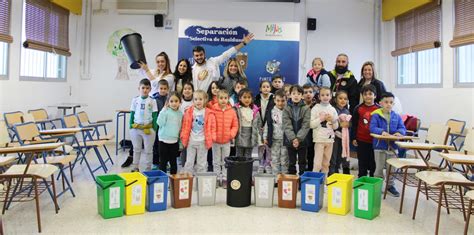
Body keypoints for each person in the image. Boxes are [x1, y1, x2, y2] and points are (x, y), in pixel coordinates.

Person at [370, 92, 406, 197]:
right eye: (386, 102)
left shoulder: (396, 116)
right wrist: (382, 132)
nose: (388, 104)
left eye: (391, 102)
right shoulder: (376, 115)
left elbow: (402, 128)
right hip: (379, 146)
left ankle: (390, 186)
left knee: (392, 169)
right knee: (379, 168)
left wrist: (400, 132)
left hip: (393, 147)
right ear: (380, 103)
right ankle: (377, 186)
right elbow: (372, 128)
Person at [181, 90, 216, 174]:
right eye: (196, 99)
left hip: (203, 141)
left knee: (202, 163)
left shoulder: (209, 113)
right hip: (191, 140)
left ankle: (201, 179)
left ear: (205, 100)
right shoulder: (189, 111)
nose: (198, 101)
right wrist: (183, 136)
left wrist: (212, 138)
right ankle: (188, 178)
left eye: (200, 99)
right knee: (189, 162)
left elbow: (213, 127)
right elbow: (185, 125)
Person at [129, 79, 158, 172]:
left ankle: (148, 169)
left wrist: (154, 128)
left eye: (147, 88)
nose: (145, 90)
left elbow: (154, 115)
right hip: (136, 128)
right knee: (136, 149)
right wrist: (130, 126)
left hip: (148, 129)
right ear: (139, 88)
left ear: (150, 89)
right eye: (143, 88)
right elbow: (132, 113)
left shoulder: (152, 100)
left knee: (148, 150)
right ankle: (135, 167)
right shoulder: (135, 100)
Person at [211, 89, 239, 186]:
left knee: (225, 161)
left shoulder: (231, 111)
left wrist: (231, 134)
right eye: (221, 98)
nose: (223, 100)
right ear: (217, 99)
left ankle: (224, 178)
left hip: (227, 141)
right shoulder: (213, 110)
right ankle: (217, 178)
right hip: (215, 141)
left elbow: (235, 125)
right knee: (216, 161)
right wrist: (213, 135)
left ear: (228, 99)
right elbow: (210, 123)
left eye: (225, 98)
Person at [351, 84, 380, 178]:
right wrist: (354, 138)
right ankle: (361, 180)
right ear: (362, 96)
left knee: (373, 163)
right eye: (365, 94)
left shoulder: (379, 109)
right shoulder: (358, 108)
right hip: (361, 140)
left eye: (370, 94)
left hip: (375, 141)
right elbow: (354, 125)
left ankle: (372, 180)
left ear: (375, 95)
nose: (368, 96)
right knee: (362, 162)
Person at [283, 85, 311, 176]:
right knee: (291, 161)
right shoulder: (286, 108)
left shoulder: (306, 108)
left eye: (298, 94)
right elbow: (286, 125)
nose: (296, 96)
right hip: (289, 140)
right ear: (289, 95)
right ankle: (292, 180)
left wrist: (298, 139)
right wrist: (293, 139)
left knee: (302, 161)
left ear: (302, 96)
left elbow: (306, 125)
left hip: (303, 140)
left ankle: (302, 179)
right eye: (293, 93)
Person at [310, 87, 339, 175]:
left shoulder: (333, 109)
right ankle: (314, 182)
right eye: (322, 95)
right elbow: (311, 125)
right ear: (319, 96)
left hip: (329, 140)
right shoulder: (316, 108)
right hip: (319, 140)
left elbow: (336, 127)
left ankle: (324, 183)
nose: (325, 97)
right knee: (317, 164)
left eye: (327, 95)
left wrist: (333, 120)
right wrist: (321, 119)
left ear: (331, 96)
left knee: (326, 164)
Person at [157, 92, 183, 174]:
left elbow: (180, 129)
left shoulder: (180, 114)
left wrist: (180, 142)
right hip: (163, 141)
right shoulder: (165, 111)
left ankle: (173, 181)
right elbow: (159, 123)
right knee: (163, 162)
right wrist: (163, 110)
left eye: (176, 101)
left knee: (173, 162)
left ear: (180, 102)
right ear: (168, 102)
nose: (174, 103)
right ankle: (162, 181)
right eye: (171, 101)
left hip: (174, 142)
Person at [263, 90, 288, 175]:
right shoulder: (271, 111)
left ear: (286, 100)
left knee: (284, 160)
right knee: (275, 159)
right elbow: (267, 124)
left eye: (283, 101)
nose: (280, 103)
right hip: (274, 139)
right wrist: (265, 137)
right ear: (274, 100)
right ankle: (276, 179)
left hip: (285, 140)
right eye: (278, 101)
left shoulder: (288, 111)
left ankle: (284, 179)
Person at [255, 80, 274, 174]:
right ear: (260, 89)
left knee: (268, 146)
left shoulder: (273, 99)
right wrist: (260, 125)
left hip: (269, 125)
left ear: (270, 88)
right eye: (264, 87)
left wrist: (266, 124)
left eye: (267, 87)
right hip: (259, 125)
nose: (266, 88)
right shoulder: (257, 99)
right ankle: (261, 164)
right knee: (260, 146)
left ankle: (268, 164)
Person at [329, 90, 351, 175]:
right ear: (335, 99)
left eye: (345, 99)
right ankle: (331, 173)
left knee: (342, 155)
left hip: (344, 137)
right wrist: (339, 124)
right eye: (340, 98)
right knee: (333, 156)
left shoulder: (347, 111)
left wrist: (348, 124)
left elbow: (349, 123)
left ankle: (341, 172)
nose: (343, 100)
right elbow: (331, 122)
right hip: (334, 137)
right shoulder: (333, 109)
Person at [234, 88, 260, 159]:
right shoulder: (236, 109)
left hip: (251, 134)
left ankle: (247, 169)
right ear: (240, 98)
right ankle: (239, 169)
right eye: (244, 97)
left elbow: (258, 124)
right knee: (239, 155)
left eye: (249, 97)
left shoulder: (254, 110)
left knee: (248, 155)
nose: (247, 99)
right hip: (240, 134)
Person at [303, 84, 316, 171]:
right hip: (303, 133)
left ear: (314, 93)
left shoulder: (317, 105)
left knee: (312, 153)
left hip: (314, 132)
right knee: (303, 154)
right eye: (305, 92)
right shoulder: (299, 105)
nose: (308, 94)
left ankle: (311, 170)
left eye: (310, 92)